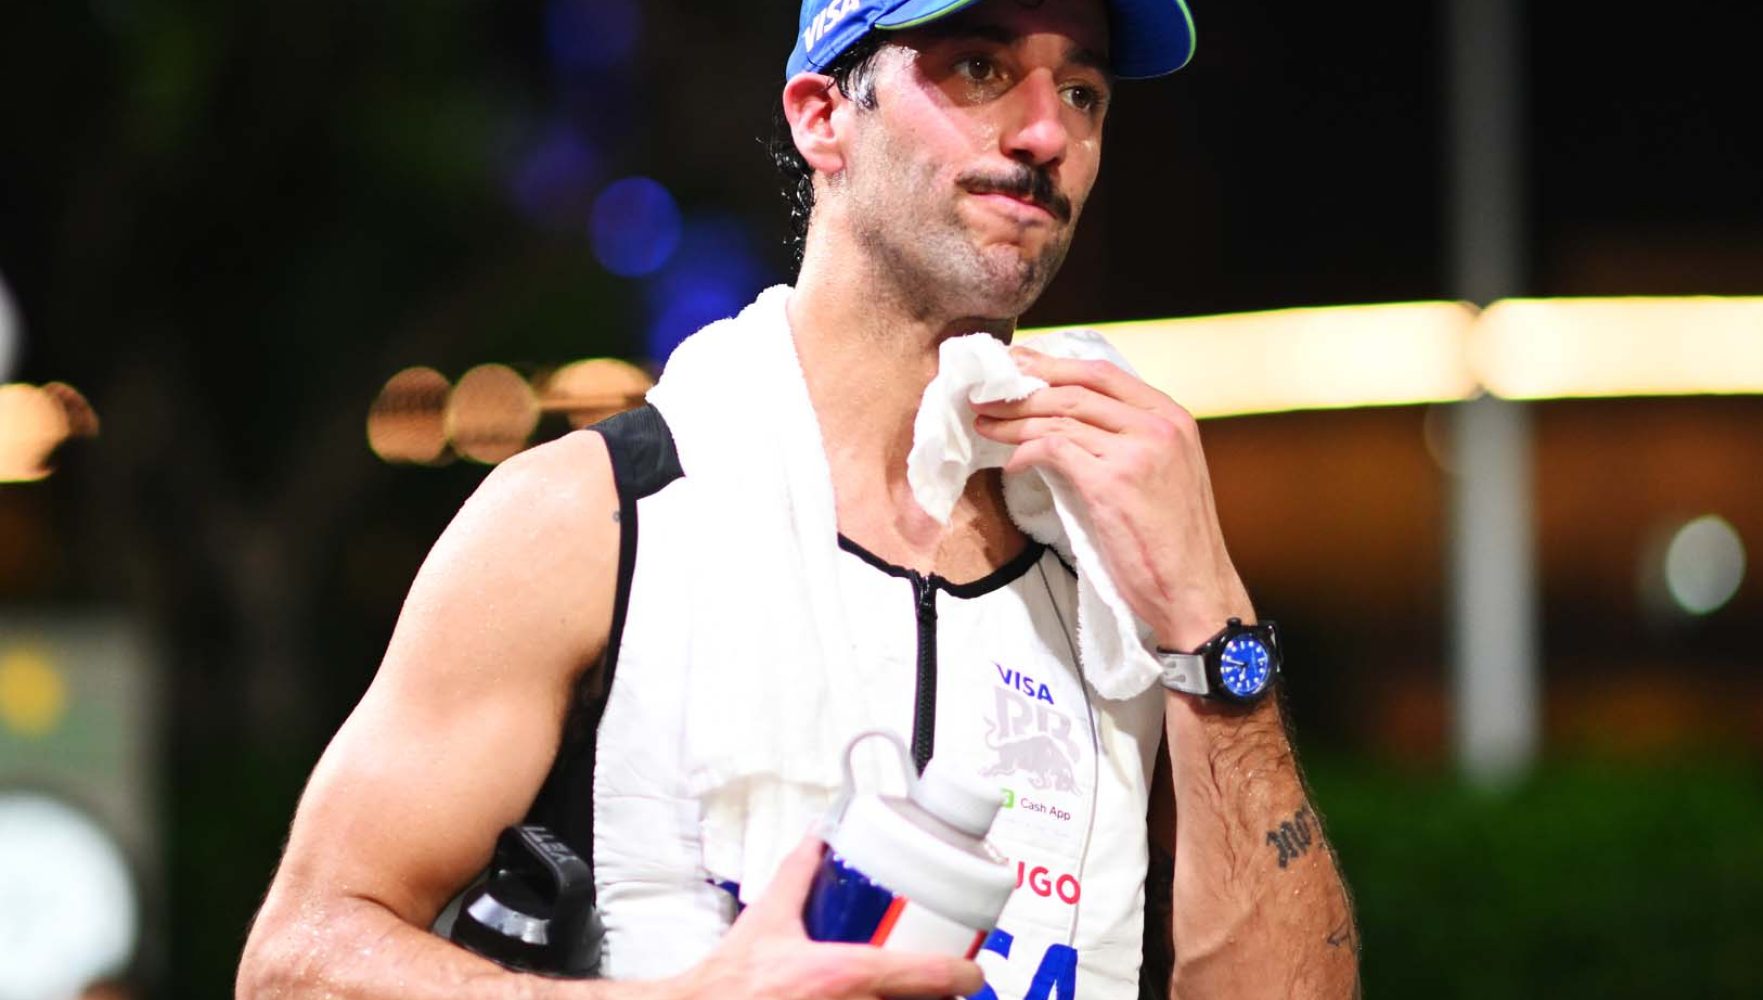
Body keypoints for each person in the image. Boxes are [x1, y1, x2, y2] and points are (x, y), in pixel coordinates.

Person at [237, 0, 1359, 996]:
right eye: (977, 68)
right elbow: (299, 961)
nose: (1045, 135)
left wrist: (1213, 629)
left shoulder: (1120, 556)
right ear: (823, 115)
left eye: (1082, 90)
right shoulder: (599, 516)